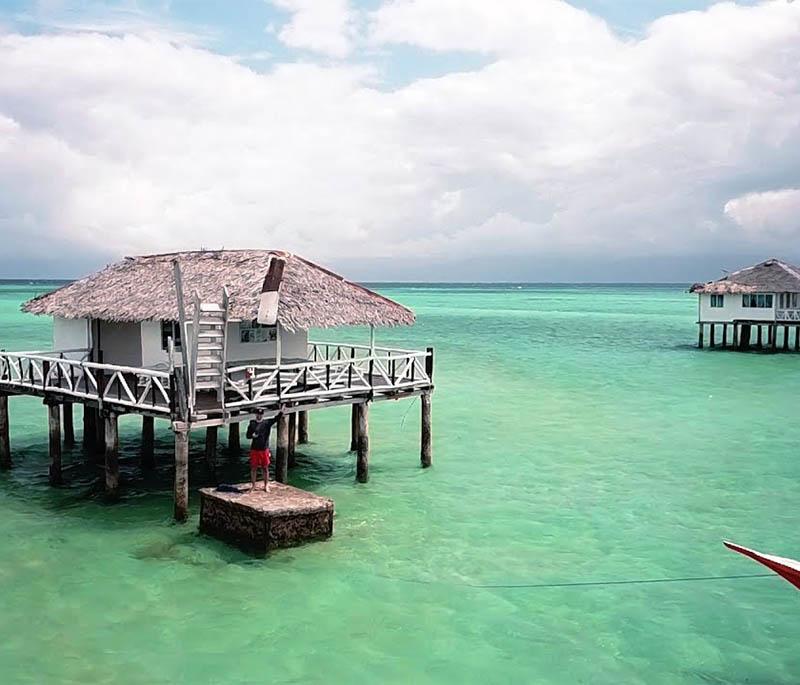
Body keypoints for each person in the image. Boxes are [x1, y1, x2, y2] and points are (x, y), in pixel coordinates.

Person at [246, 408, 274, 491]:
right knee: (253, 468)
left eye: (260, 414)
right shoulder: (252, 423)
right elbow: (247, 436)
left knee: (265, 468)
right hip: (254, 449)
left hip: (264, 449)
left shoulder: (267, 423)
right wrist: (252, 436)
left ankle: (266, 485)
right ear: (256, 415)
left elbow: (276, 419)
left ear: (262, 415)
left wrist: (281, 411)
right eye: (258, 414)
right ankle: (253, 485)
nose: (259, 416)